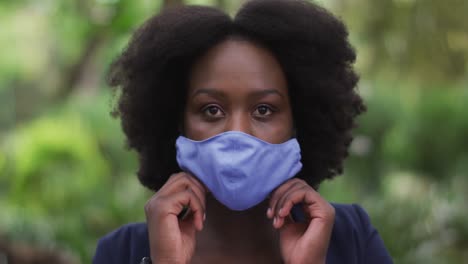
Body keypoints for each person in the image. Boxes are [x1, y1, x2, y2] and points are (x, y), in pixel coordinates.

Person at [93, 0, 393, 263]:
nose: (238, 133)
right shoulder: (123, 252)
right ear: (177, 121)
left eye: (264, 110)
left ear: (298, 120)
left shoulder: (351, 238)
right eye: (212, 110)